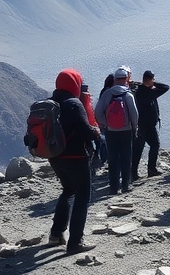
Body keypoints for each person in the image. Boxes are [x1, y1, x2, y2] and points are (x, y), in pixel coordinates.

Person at [47, 69, 101, 253]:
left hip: (55, 157)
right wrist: (96, 131)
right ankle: (75, 242)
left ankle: (55, 235)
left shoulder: (51, 103)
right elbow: (86, 132)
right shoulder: (74, 104)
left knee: (68, 190)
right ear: (74, 84)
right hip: (76, 157)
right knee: (82, 196)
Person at [95, 67, 139, 194]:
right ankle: (125, 185)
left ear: (115, 79)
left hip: (110, 131)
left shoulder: (107, 94)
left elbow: (98, 112)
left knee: (113, 158)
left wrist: (105, 123)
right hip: (126, 130)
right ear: (126, 79)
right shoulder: (128, 94)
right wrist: (134, 127)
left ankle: (113, 187)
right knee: (126, 157)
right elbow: (134, 114)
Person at [132, 70, 169, 180]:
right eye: (152, 79)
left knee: (148, 146)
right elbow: (166, 87)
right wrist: (153, 84)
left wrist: (146, 84)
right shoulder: (149, 92)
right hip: (144, 126)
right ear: (149, 80)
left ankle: (140, 171)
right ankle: (144, 170)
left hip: (145, 125)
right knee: (141, 148)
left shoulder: (139, 90)